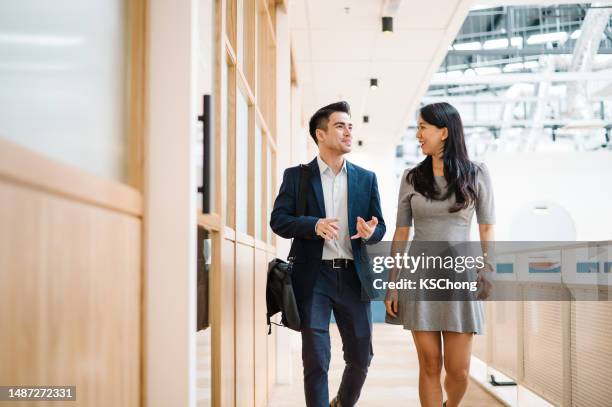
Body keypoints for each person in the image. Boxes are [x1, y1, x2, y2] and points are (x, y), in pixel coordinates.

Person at [270, 101, 386, 407]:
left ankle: (342, 403)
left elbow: (380, 225)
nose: (348, 131)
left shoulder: (366, 178)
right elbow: (278, 221)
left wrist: (373, 233)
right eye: (340, 126)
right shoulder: (297, 176)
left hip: (353, 276)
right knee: (316, 360)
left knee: (362, 356)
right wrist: (313, 224)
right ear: (320, 134)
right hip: (314, 278)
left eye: (350, 126)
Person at [385, 102, 495, 407]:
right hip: (419, 277)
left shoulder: (477, 174)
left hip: (461, 277)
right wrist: (393, 282)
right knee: (430, 365)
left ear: (444, 132)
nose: (417, 134)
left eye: (423, 127)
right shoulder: (410, 178)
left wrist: (489, 270)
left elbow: (486, 228)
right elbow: (401, 233)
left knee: (458, 371)